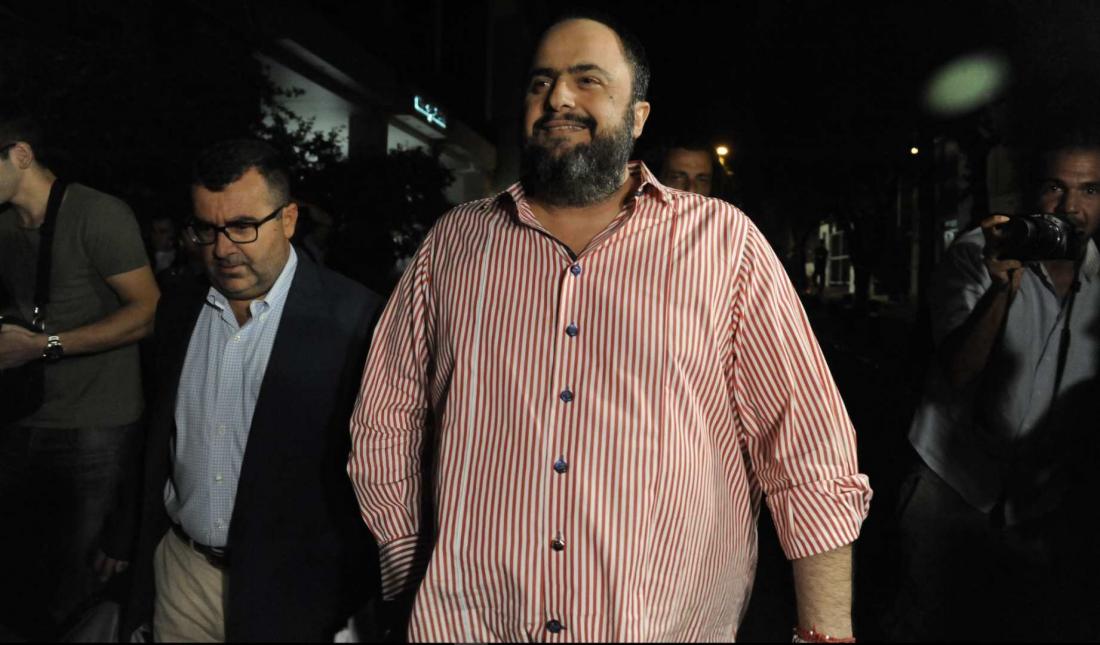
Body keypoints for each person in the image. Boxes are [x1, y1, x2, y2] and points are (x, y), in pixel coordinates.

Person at [349, 14, 871, 642]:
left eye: (587, 79)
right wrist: (409, 570)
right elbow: (387, 416)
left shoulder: (723, 245)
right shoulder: (455, 244)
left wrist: (825, 632)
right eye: (540, 82)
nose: (558, 99)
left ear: (639, 116)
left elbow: (807, 445)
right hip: (468, 626)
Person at [123, 139, 382, 642]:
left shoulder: (358, 321)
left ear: (288, 219)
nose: (222, 249)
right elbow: (154, 439)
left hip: (295, 594)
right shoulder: (177, 308)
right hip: (183, 574)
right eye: (206, 228)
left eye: (243, 226)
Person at [892, 126, 1100, 640]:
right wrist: (1001, 290)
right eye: (1056, 187)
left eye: (1091, 190)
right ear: (1033, 190)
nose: (1071, 208)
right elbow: (958, 371)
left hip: (1039, 507)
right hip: (952, 486)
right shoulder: (977, 254)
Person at [0, 112, 160, 640]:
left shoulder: (98, 213)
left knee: (76, 578)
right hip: (23, 417)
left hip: (96, 424)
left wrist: (42, 346)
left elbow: (146, 313)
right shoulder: (5, 226)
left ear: (21, 155)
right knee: (23, 574)